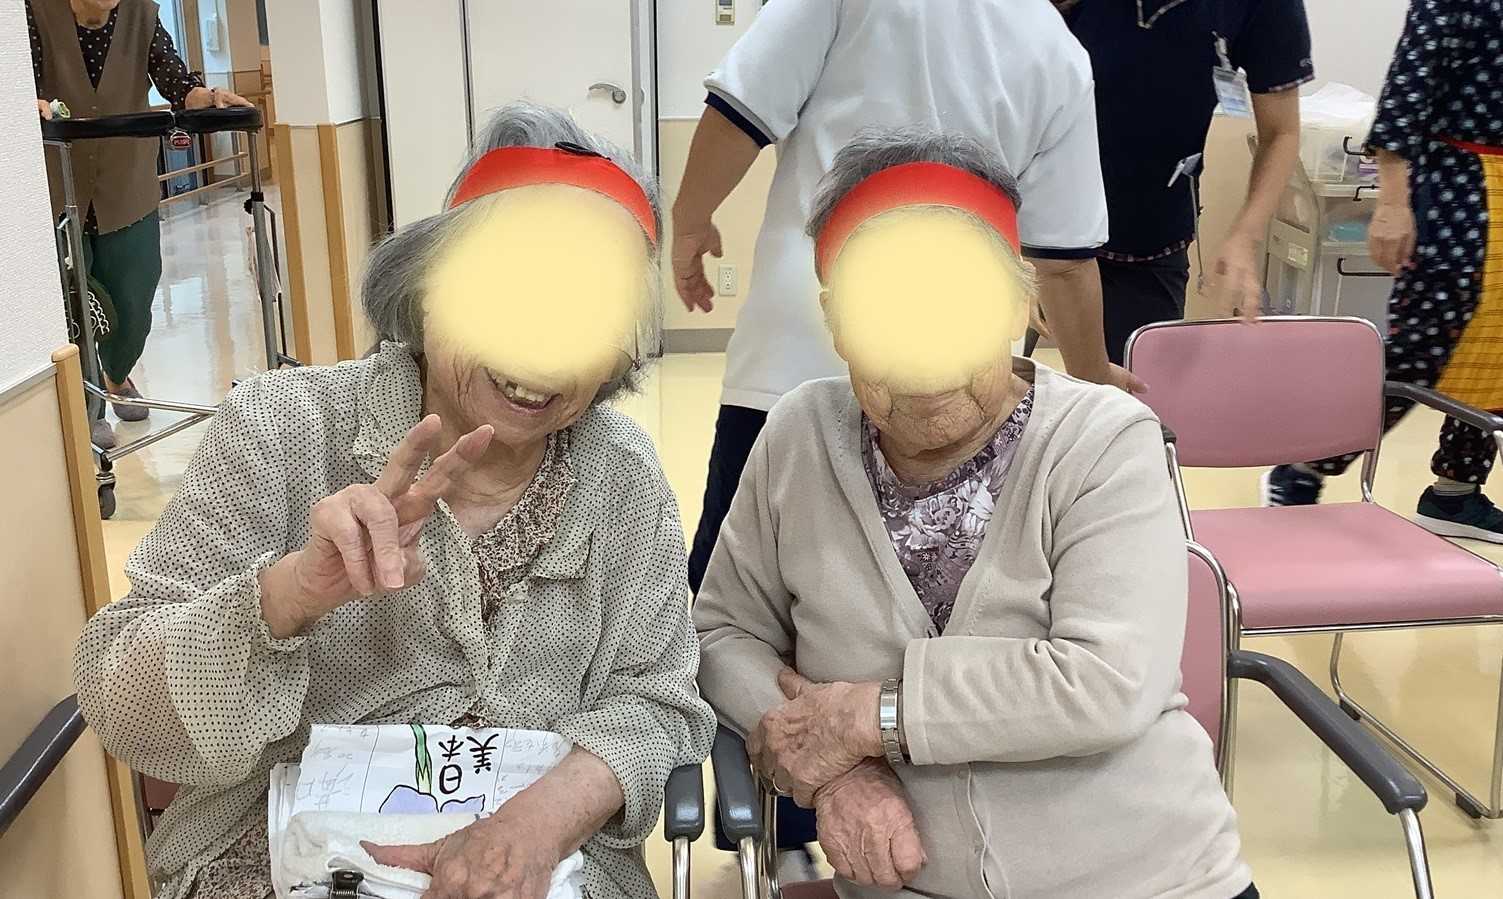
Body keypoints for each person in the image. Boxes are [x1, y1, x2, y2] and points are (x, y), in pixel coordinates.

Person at [72, 105, 716, 899]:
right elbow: (120, 704)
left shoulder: (621, 475)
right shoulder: (282, 426)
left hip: (541, 861)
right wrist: (285, 597)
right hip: (280, 855)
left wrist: (535, 823)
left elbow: (660, 700)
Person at [694, 129, 1254, 898]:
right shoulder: (799, 434)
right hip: (902, 882)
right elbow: (722, 632)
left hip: (1145, 880)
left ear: (1020, 302)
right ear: (835, 320)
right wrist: (836, 776)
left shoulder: (1103, 439)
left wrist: (871, 717)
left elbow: (1104, 681)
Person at [669, 1, 1127, 870]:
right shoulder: (1055, 48)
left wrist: (690, 222)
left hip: (799, 352)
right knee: (912, 604)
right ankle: (815, 821)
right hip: (943, 367)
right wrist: (1091, 378)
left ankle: (782, 841)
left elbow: (739, 109)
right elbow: (1063, 257)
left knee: (767, 601)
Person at [1264, 1, 1503, 540]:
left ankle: (1456, 492)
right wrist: (1392, 202)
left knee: (1497, 352)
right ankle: (1303, 466)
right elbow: (1406, 92)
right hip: (1460, 182)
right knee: (1420, 347)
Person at [29, 0, 252, 450]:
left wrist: (208, 96)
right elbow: (22, 81)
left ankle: (116, 374)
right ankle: (86, 408)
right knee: (74, 308)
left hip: (126, 184)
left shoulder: (142, 14)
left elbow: (175, 81)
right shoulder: (35, 12)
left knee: (133, 302)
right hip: (56, 186)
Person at [1053, 0, 1311, 362]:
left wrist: (1244, 236)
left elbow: (1281, 132)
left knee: (1134, 382)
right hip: (1044, 219)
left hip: (1151, 235)